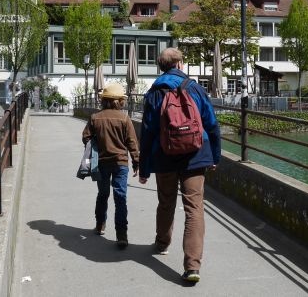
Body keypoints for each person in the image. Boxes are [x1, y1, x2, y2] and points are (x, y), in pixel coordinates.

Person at [139, 47, 221, 284]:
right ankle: (192, 266)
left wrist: (144, 167)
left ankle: (162, 243)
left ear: (161, 67)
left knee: (166, 202)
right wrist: (214, 156)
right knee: (194, 209)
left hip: (164, 155)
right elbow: (212, 124)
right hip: (196, 154)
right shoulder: (194, 88)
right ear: (180, 64)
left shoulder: (154, 93)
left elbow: (147, 133)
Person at [82, 82, 140, 248]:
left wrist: (96, 145)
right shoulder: (124, 118)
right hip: (121, 163)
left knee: (103, 194)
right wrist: (136, 161)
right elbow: (132, 142)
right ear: (120, 101)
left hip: (101, 162)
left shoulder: (95, 118)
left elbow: (86, 138)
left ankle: (100, 225)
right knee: (120, 197)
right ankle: (121, 234)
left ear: (104, 100)